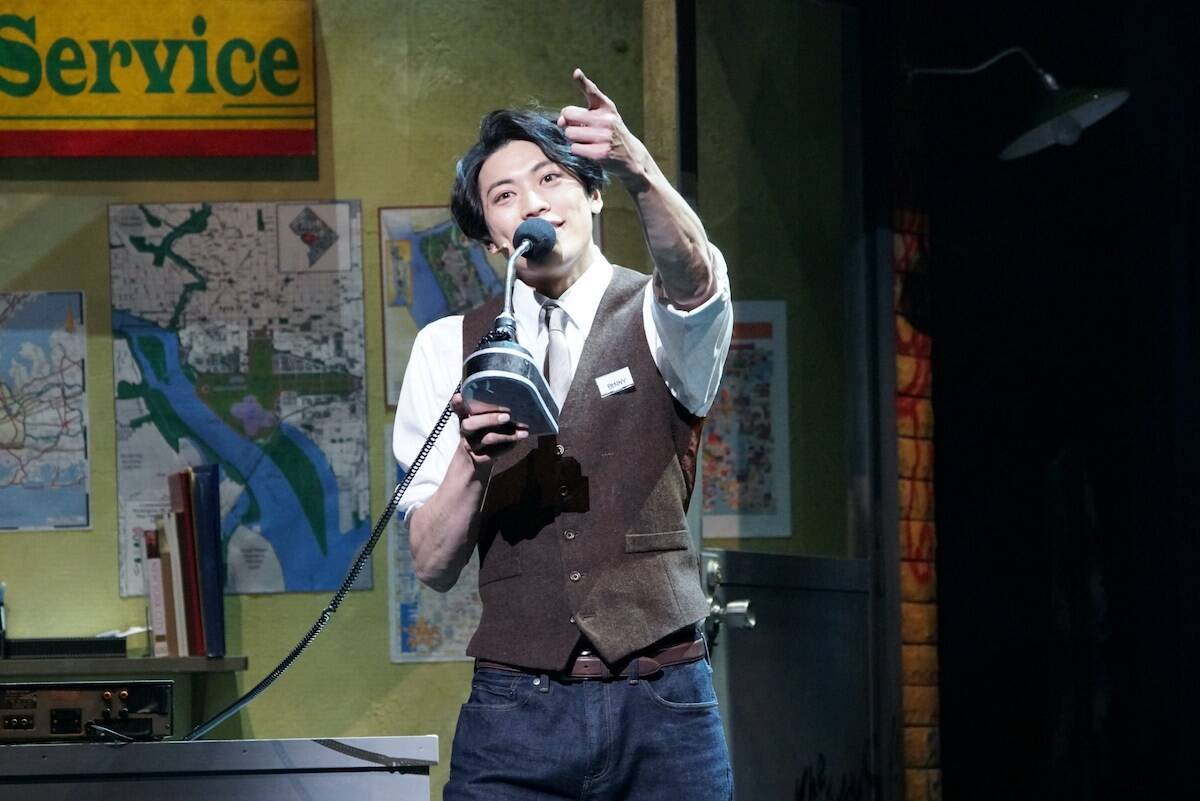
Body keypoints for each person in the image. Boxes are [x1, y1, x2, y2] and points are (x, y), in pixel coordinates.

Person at [392, 68, 734, 801]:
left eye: (550, 178)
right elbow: (431, 562)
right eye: (504, 195)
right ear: (492, 240)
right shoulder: (447, 348)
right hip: (515, 709)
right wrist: (471, 461)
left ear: (593, 195)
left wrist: (638, 167)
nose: (533, 203)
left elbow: (696, 280)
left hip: (663, 700)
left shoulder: (657, 312)